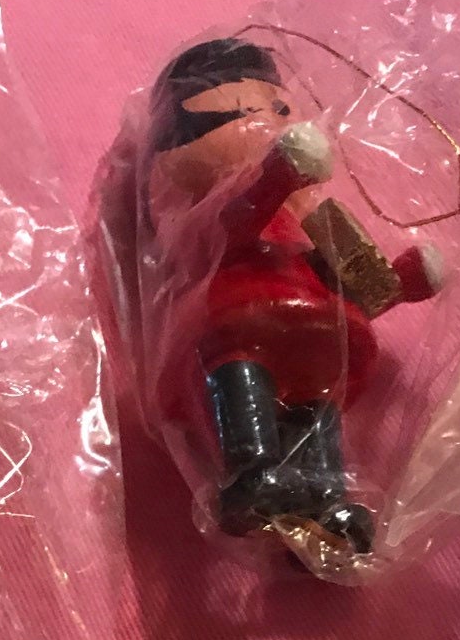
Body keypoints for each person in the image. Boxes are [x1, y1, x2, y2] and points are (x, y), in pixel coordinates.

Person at [145, 37, 442, 556]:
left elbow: (354, 284)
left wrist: (404, 281)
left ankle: (327, 506)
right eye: (239, 115)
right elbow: (230, 230)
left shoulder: (311, 225)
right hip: (237, 324)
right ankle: (252, 472)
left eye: (280, 111)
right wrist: (278, 176)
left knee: (317, 407)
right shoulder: (205, 219)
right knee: (243, 375)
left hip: (321, 338)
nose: (267, 125)